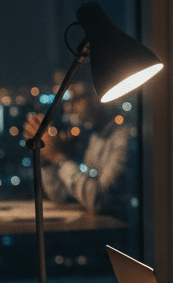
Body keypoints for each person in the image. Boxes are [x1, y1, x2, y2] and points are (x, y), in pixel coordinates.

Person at [24, 82, 130, 217]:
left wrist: (58, 157)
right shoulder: (96, 138)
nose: (70, 107)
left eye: (76, 99)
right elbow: (61, 196)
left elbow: (99, 200)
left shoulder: (123, 138)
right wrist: (47, 160)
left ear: (96, 97)